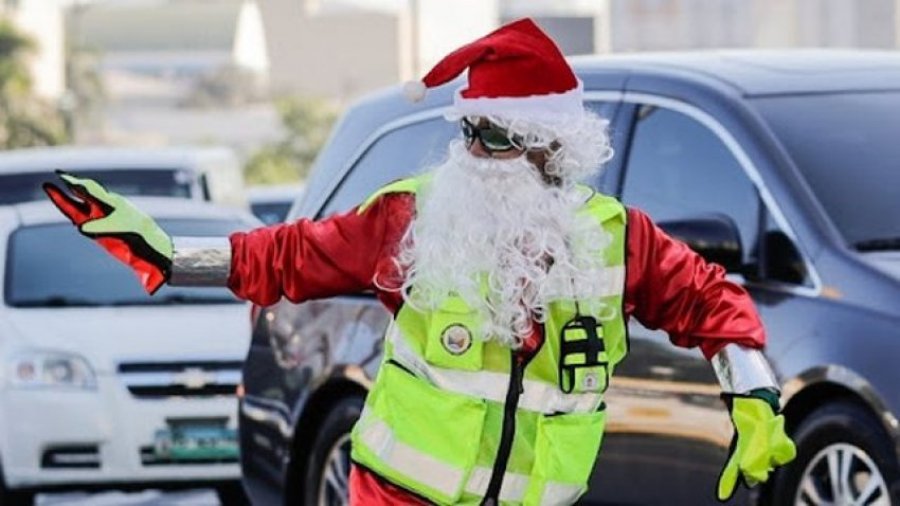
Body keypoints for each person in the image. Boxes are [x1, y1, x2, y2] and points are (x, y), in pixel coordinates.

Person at [44, 18, 795, 506]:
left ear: (552, 148)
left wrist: (755, 393)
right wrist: (170, 256)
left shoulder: (615, 238)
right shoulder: (412, 216)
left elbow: (710, 300)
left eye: (496, 137)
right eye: (468, 132)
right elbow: (290, 255)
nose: (476, 155)